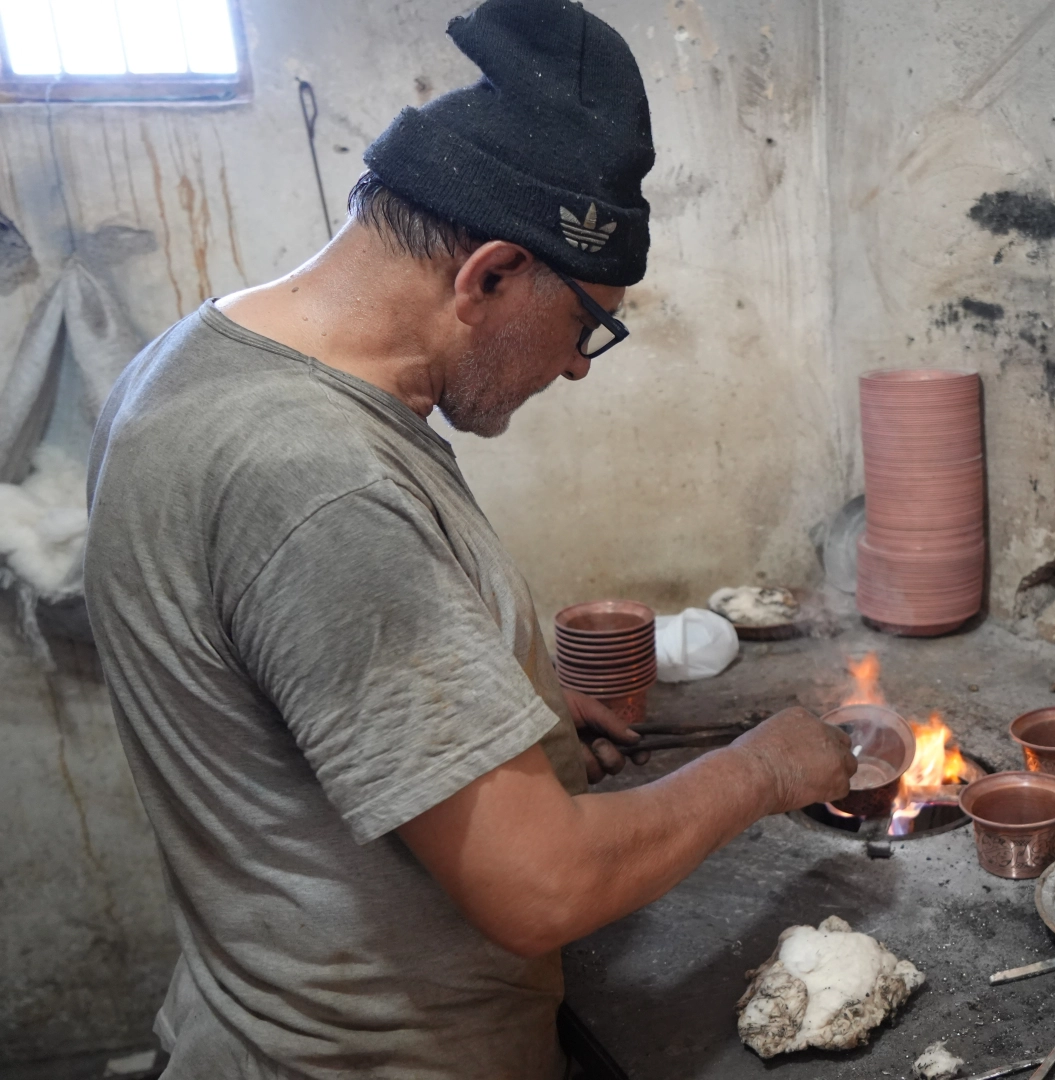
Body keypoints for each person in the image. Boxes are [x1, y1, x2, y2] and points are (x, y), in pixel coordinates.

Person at [80, 1, 856, 1077]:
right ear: (489, 274)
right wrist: (763, 769)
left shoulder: (193, 362)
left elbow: (287, 683)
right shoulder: (316, 477)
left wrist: (501, 723)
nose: (581, 364)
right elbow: (544, 889)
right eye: (590, 322)